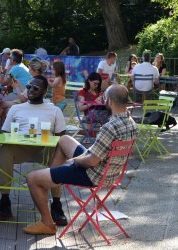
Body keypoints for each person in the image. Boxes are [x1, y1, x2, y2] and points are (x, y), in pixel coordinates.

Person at [23, 84, 137, 235]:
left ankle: (47, 223)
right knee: (64, 140)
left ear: (109, 101)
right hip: (110, 172)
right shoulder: (131, 123)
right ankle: (52, 181)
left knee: (32, 178)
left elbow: (91, 162)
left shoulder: (110, 127)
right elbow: (98, 153)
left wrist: (75, 161)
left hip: (93, 174)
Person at [0, 75, 68, 226]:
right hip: (20, 148)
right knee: (5, 149)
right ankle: (4, 201)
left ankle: (56, 204)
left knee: (58, 152)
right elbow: (5, 133)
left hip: (45, 149)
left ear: (44, 91)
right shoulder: (16, 108)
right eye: (28, 87)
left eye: (35, 88)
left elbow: (62, 138)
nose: (30, 90)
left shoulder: (54, 110)